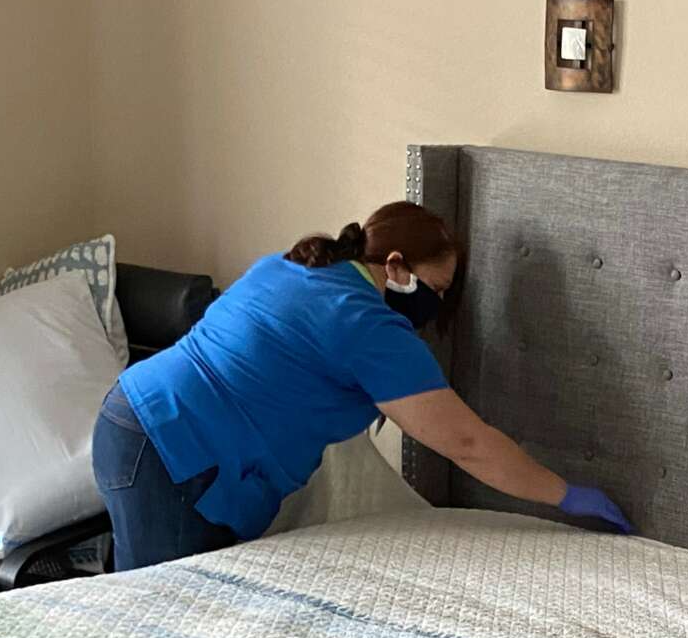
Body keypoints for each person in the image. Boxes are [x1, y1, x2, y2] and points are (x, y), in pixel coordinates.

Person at [92, 201, 633, 571]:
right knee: (165, 616)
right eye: (435, 288)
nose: (435, 305)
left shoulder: (291, 267)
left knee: (154, 607)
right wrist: (566, 495)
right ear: (395, 266)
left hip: (130, 416)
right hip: (172, 451)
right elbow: (468, 442)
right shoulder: (365, 324)